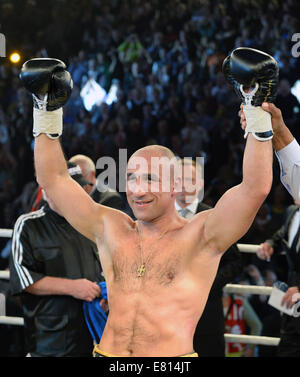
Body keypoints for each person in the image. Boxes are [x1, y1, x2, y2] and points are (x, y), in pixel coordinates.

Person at [20, 47, 274, 357]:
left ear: (173, 184)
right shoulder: (111, 228)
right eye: (132, 178)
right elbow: (55, 180)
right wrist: (45, 110)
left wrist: (255, 107)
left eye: (151, 179)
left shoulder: (202, 235)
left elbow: (255, 189)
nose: (138, 190)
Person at [8, 163, 103, 357]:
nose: (79, 194)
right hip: (48, 342)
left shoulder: (89, 226)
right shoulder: (28, 225)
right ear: (48, 191)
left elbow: (102, 273)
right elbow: (24, 280)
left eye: (79, 188)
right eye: (70, 189)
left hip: (89, 340)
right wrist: (74, 287)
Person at [175, 158, 242, 357]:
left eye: (191, 179)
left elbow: (235, 262)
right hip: (166, 316)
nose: (185, 186)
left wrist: (205, 286)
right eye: (179, 179)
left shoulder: (214, 217)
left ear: (201, 183)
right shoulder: (159, 218)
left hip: (206, 315)